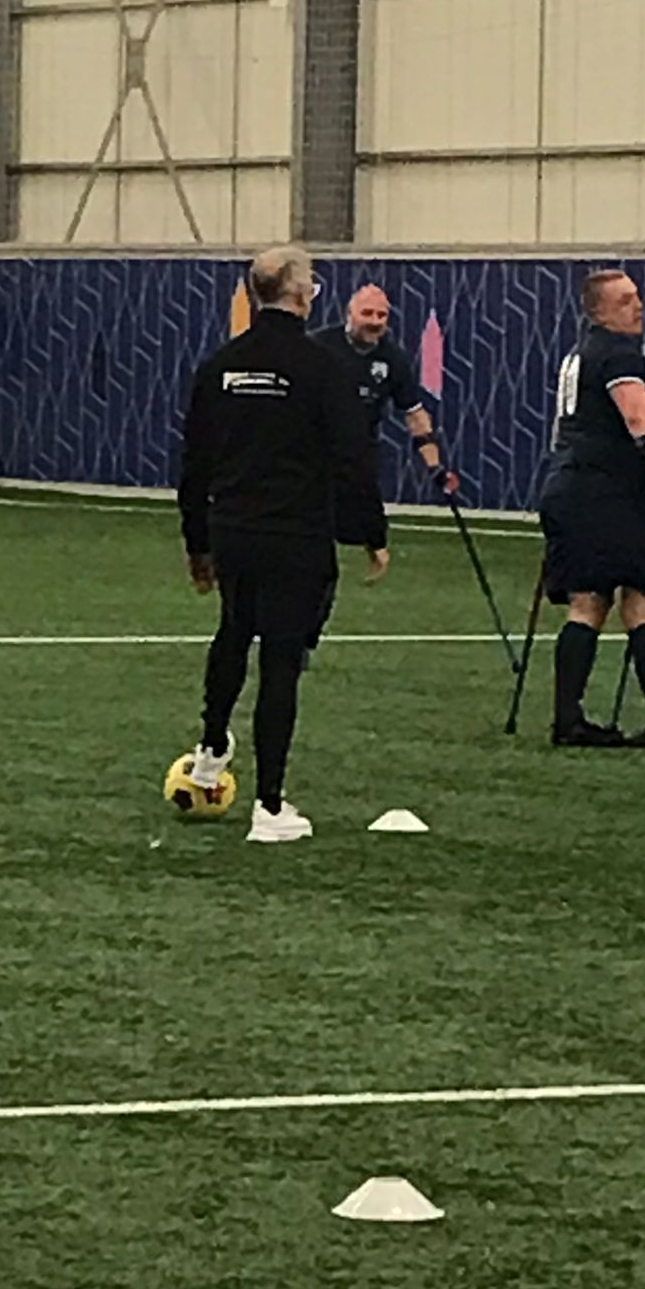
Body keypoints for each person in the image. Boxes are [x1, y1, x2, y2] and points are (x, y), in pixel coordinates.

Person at [178, 246, 389, 845]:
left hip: (234, 530)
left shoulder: (220, 366)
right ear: (301, 294)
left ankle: (212, 747)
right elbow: (352, 458)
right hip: (296, 535)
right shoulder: (323, 369)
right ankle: (270, 806)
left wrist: (197, 543)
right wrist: (370, 532)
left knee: (233, 632)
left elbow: (194, 463)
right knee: (281, 662)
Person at [539, 270, 645, 751]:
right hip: (601, 492)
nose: (638, 308)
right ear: (599, 311)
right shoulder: (618, 352)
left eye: (638, 299)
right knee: (630, 599)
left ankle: (571, 719)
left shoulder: (578, 354)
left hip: (570, 484)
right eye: (624, 302)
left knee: (593, 601)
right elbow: (636, 414)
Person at [313, 283, 457, 500]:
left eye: (381, 315)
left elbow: (415, 414)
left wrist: (435, 467)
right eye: (367, 313)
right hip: (314, 457)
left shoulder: (393, 358)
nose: (374, 321)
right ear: (349, 314)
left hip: (359, 459)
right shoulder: (319, 346)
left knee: (366, 530)